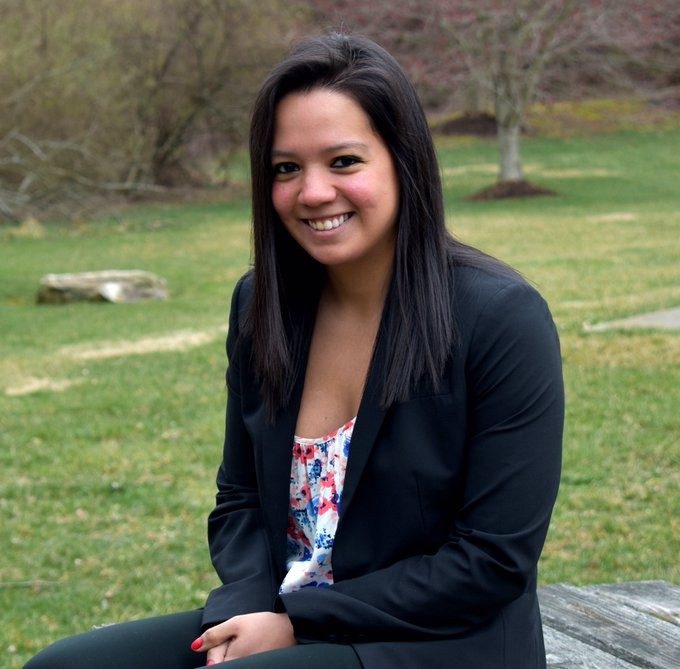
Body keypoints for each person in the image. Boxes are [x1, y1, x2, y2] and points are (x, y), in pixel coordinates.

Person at [26, 33, 563, 669]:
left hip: (436, 644)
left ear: (404, 160)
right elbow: (240, 500)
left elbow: (491, 560)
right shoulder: (263, 305)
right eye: (286, 168)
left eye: (343, 161)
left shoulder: (500, 317)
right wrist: (245, 609)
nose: (312, 193)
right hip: (285, 623)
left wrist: (296, 622)